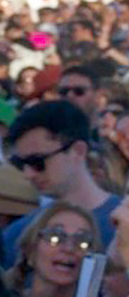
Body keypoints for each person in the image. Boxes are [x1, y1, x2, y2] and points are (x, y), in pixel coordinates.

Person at [1, 99, 118, 268]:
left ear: (78, 151)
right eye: (20, 164)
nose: (28, 174)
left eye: (37, 162)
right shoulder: (16, 236)